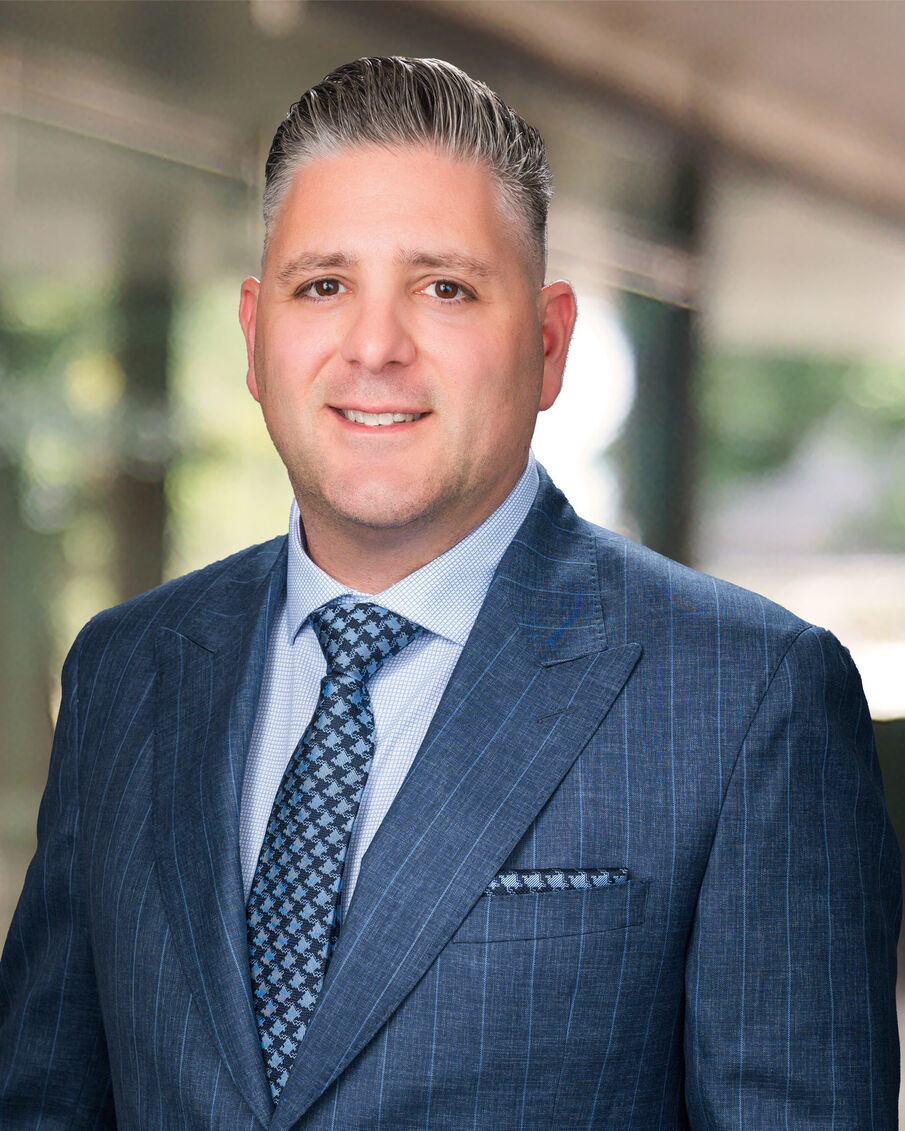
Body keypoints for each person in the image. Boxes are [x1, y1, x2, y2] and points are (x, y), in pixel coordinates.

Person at [0, 55, 899, 1131]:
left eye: (445, 288)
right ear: (253, 334)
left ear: (547, 344)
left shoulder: (746, 697)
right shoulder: (126, 670)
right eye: (322, 285)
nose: (375, 347)